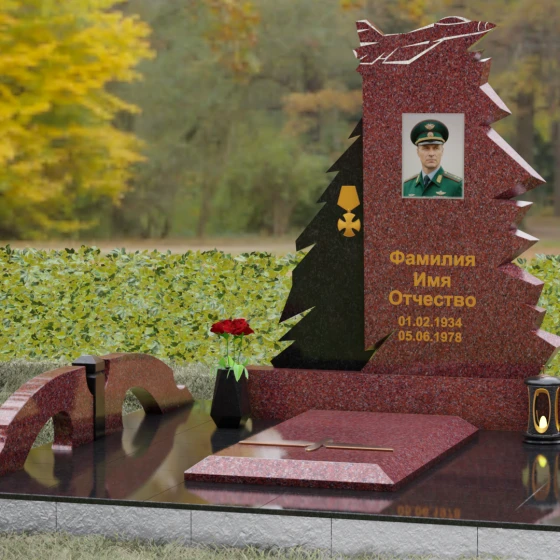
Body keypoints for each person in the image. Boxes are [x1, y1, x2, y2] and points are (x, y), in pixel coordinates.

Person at [402, 119, 463, 198]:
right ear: (417, 152)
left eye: (436, 148)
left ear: (442, 151)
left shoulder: (456, 186)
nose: (431, 154)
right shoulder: (406, 186)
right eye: (425, 148)